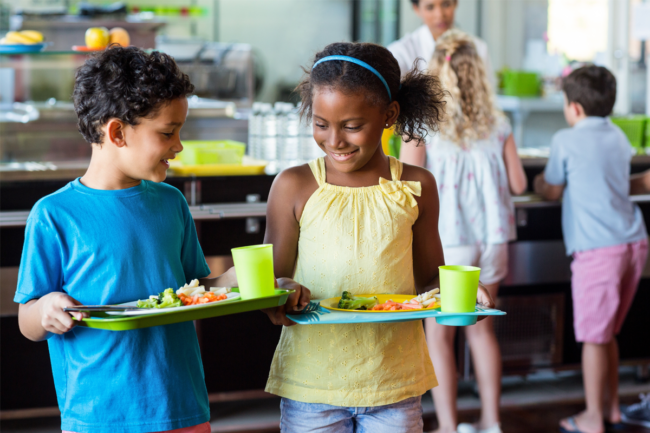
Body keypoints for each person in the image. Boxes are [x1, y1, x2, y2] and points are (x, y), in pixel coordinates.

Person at [13, 46, 305, 433]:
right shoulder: (54, 215)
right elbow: (27, 320)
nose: (179, 145)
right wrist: (46, 309)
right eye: (168, 132)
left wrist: (259, 284)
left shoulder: (171, 202)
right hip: (100, 415)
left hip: (181, 403)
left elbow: (197, 289)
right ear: (117, 132)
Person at [261, 42, 496, 433]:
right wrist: (278, 294)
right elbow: (272, 280)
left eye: (352, 126)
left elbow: (428, 280)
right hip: (313, 385)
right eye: (321, 124)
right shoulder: (293, 185)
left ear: (389, 115)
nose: (334, 140)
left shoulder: (417, 185)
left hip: (395, 383)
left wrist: (460, 290)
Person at [400, 30, 527, 433]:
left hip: (447, 242)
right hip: (493, 239)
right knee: (483, 332)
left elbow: (408, 187)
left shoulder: (423, 125)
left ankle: (450, 427)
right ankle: (491, 422)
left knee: (439, 338)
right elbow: (520, 184)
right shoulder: (499, 122)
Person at [534, 65, 648, 433]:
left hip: (598, 252)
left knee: (593, 338)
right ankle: (612, 409)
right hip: (634, 242)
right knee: (607, 335)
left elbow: (551, 188)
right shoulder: (617, 137)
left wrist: (538, 181)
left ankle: (593, 419)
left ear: (575, 108)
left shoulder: (566, 140)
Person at [387, 0, 492, 83]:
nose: (440, 14)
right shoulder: (400, 52)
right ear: (417, 9)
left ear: (455, 3)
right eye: (430, 7)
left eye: (446, 4)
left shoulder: (478, 47)